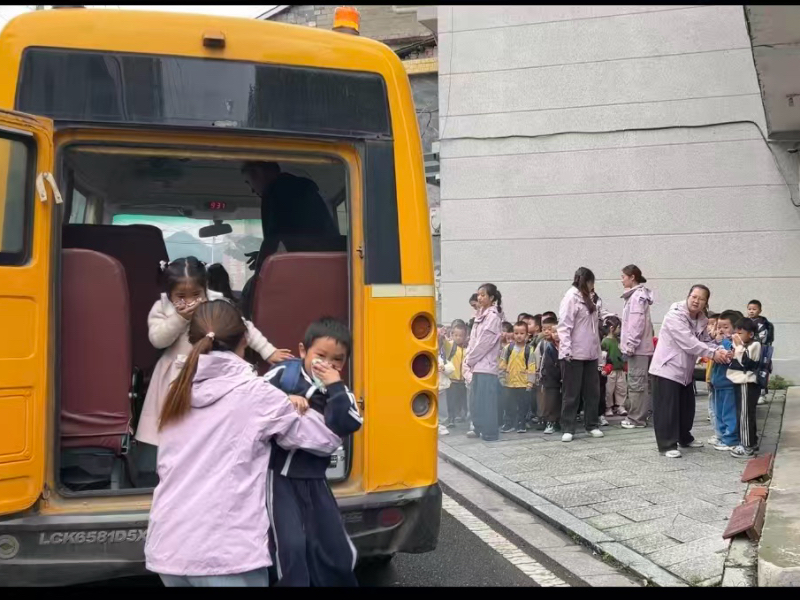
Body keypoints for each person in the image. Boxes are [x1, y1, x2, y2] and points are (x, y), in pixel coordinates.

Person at [144, 300, 342, 587]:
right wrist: (318, 398)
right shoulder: (256, 395)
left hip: (169, 549)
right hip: (224, 556)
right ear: (246, 339)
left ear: (192, 339)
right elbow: (325, 439)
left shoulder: (176, 390)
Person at [135, 258, 293, 451]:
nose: (190, 301)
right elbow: (158, 339)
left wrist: (268, 351)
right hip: (174, 376)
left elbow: (244, 328)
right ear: (169, 294)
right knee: (173, 426)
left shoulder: (218, 303)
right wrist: (179, 318)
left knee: (207, 426)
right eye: (181, 296)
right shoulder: (162, 307)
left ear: (205, 288)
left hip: (212, 374)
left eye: (196, 294)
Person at [263, 317, 363, 586]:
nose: (328, 365)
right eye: (321, 356)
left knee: (334, 545)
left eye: (337, 360)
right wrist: (285, 399)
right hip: (279, 478)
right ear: (303, 351)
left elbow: (349, 423)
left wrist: (335, 387)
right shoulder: (284, 375)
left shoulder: (339, 391)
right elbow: (254, 399)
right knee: (290, 546)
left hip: (316, 480)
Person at [649, 285, 731, 458]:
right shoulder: (674, 316)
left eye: (701, 299)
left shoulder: (701, 319)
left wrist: (720, 350)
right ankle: (666, 445)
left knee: (686, 408)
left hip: (685, 370)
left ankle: (684, 438)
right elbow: (689, 342)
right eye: (694, 297)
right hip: (667, 368)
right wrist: (713, 354)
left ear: (706, 303)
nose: (696, 301)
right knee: (667, 409)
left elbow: (705, 341)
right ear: (688, 296)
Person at [557, 267, 611, 443]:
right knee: (571, 393)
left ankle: (591, 425)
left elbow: (597, 319)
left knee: (592, 392)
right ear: (587, 282)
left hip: (591, 353)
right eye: (592, 283)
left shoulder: (591, 299)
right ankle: (568, 427)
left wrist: (611, 317)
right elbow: (564, 326)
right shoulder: (570, 298)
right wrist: (566, 350)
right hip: (573, 353)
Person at [464, 284, 505, 442]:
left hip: (486, 365)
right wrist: (470, 359)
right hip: (477, 365)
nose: (479, 298)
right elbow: (473, 340)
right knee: (477, 400)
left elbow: (484, 343)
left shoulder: (493, 317)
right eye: (478, 295)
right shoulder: (480, 315)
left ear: (491, 298)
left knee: (487, 401)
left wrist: (470, 359)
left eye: (483, 295)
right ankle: (478, 427)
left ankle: (489, 431)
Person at [619, 265, 655, 430]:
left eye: (623, 277)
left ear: (632, 277)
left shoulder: (636, 297)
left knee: (637, 383)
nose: (622, 280)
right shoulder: (638, 296)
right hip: (640, 348)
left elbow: (636, 324)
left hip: (637, 349)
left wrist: (630, 346)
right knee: (640, 382)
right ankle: (640, 415)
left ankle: (636, 419)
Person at [727, 318, 762, 458]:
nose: (737, 336)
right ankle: (752, 442)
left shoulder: (755, 345)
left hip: (746, 383)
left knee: (745, 415)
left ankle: (746, 446)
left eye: (740, 333)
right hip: (740, 383)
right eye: (736, 333)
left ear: (750, 334)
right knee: (745, 413)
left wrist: (738, 348)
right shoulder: (743, 346)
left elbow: (747, 363)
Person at [708, 311, 740, 451]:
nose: (721, 330)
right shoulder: (719, 341)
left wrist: (721, 343)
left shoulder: (734, 343)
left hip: (729, 384)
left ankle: (731, 439)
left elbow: (729, 357)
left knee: (729, 413)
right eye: (719, 327)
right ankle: (722, 436)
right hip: (718, 383)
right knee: (719, 413)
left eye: (725, 327)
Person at [499, 321, 536, 434]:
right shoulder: (507, 348)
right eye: (516, 333)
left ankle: (521, 423)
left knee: (523, 405)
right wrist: (501, 377)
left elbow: (531, 366)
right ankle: (509, 423)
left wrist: (530, 382)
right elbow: (502, 363)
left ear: (527, 335)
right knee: (508, 404)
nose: (519, 336)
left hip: (523, 383)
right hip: (509, 382)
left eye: (522, 333)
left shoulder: (529, 350)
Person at [747, 300, 774, 403]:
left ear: (760, 310)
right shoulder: (745, 321)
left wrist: (751, 339)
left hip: (760, 351)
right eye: (749, 309)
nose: (751, 311)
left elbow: (763, 338)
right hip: (747, 351)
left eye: (754, 309)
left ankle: (761, 394)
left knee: (761, 371)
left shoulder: (763, 323)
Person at [539, 315, 562, 434]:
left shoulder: (566, 346)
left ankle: (559, 421)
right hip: (551, 378)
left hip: (564, 378)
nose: (556, 334)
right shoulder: (549, 347)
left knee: (561, 401)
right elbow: (546, 364)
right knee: (551, 400)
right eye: (554, 332)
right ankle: (550, 422)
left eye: (558, 332)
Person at [444, 322, 469, 427]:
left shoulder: (467, 348)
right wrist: (442, 334)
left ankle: (462, 415)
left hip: (463, 380)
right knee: (451, 400)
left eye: (461, 335)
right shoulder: (450, 346)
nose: (458, 338)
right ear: (452, 335)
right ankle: (451, 418)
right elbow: (443, 342)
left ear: (465, 336)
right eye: (456, 335)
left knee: (463, 399)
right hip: (452, 380)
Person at [601, 319, 627, 417]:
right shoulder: (605, 342)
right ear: (612, 328)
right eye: (619, 327)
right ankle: (608, 407)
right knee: (609, 390)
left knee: (621, 388)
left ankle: (620, 406)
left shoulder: (619, 341)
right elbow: (603, 356)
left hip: (620, 369)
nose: (620, 330)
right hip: (610, 370)